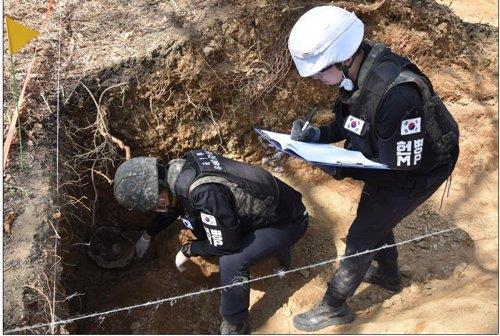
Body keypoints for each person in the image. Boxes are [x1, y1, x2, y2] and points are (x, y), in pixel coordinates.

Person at [287, 5, 459, 332]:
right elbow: (349, 124)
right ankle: (388, 274)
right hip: (393, 159)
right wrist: (317, 136)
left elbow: (398, 167)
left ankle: (334, 306)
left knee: (363, 233)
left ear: (344, 58)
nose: (317, 79)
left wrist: (331, 164)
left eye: (320, 71)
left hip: (422, 168)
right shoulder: (355, 77)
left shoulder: (398, 95)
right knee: (376, 214)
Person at [113, 149, 308, 334]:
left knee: (231, 260)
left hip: (289, 221)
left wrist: (190, 249)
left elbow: (226, 245)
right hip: (273, 203)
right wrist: (148, 234)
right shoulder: (179, 170)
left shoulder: (203, 193)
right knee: (204, 229)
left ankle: (236, 324)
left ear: (159, 194)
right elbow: (174, 207)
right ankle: (271, 248)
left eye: (155, 205)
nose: (156, 210)